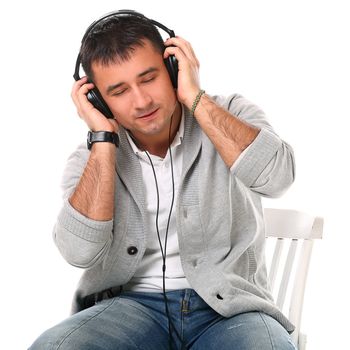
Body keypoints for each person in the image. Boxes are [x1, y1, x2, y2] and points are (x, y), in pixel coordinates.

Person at [29, 10, 297, 350]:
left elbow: (278, 179)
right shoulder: (92, 157)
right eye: (119, 90)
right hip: (130, 308)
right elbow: (78, 253)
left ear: (174, 67)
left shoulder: (232, 113)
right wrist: (102, 139)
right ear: (98, 99)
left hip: (231, 308)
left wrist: (196, 98)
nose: (141, 101)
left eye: (149, 78)